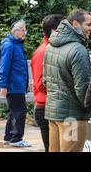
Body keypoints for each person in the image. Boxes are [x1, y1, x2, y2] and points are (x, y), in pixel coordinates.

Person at [43, 9, 91, 152]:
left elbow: (46, 81)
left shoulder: (50, 46)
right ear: (76, 23)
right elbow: (83, 89)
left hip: (54, 114)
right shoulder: (78, 50)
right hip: (72, 118)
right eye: (88, 25)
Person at [30, 14, 64, 152]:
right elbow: (40, 84)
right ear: (53, 31)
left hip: (53, 107)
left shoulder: (53, 49)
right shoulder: (43, 51)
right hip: (45, 108)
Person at [0, 20, 31, 147]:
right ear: (15, 31)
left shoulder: (17, 44)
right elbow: (3, 66)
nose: (25, 32)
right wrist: (3, 85)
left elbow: (20, 66)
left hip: (18, 84)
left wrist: (26, 83)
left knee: (14, 111)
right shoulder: (9, 45)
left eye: (25, 29)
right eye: (23, 30)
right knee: (19, 111)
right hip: (13, 85)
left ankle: (9, 136)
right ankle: (16, 139)